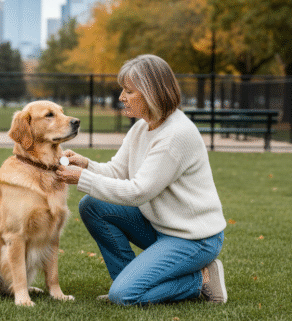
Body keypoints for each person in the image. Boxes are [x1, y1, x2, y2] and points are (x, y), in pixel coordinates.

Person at [56, 54, 227, 306]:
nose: (121, 97)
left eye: (128, 91)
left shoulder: (175, 135)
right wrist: (87, 165)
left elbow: (138, 192)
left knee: (124, 296)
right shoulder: (141, 127)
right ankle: (128, 279)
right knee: (92, 205)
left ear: (151, 93)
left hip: (193, 239)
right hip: (161, 226)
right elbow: (118, 171)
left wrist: (82, 178)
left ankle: (200, 279)